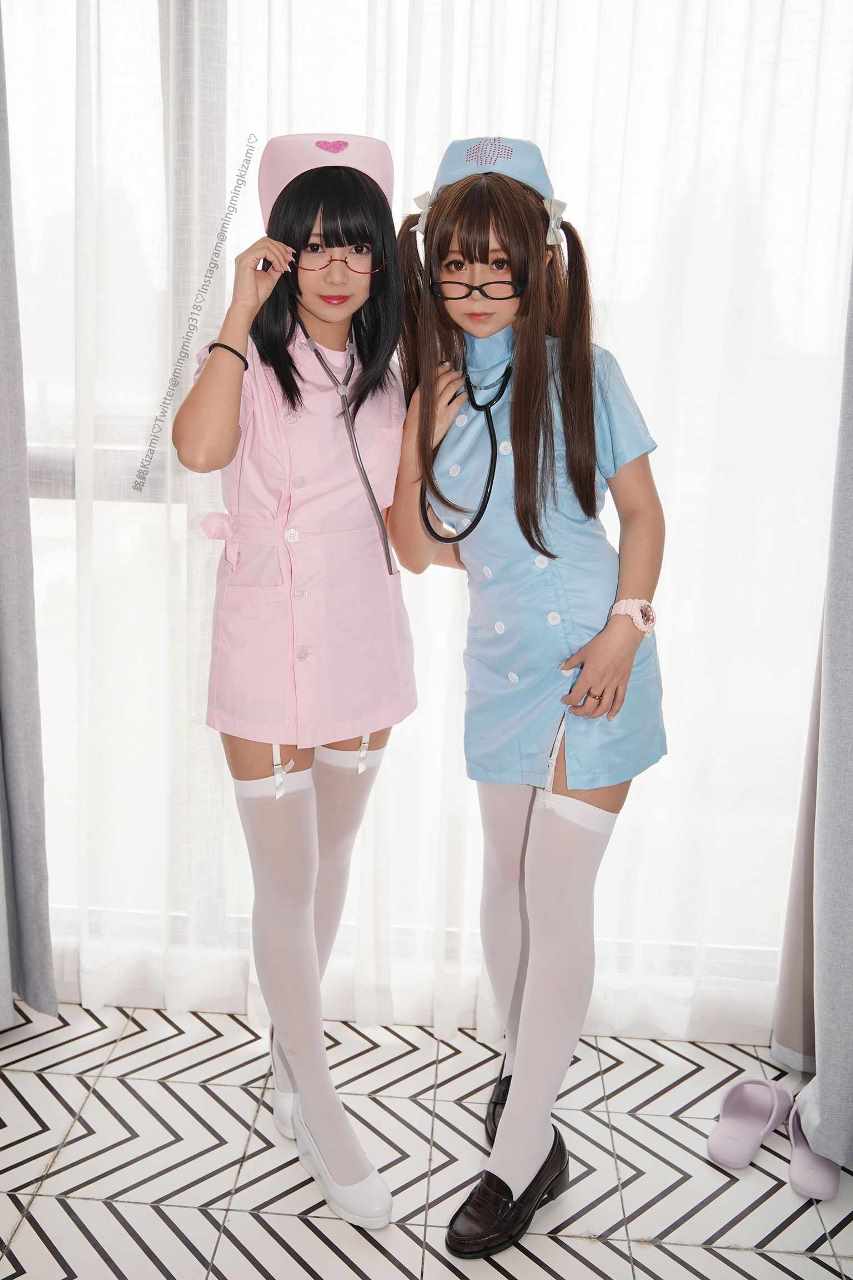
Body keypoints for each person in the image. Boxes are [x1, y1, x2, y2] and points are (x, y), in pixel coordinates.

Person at [389, 135, 667, 1259]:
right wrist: (426, 431)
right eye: (456, 264)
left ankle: (514, 1159)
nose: (474, 285)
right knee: (503, 891)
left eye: (497, 264)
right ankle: (529, 1097)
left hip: (595, 657)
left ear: (539, 263)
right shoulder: (431, 384)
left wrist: (625, 630)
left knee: (557, 899)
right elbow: (419, 550)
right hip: (498, 669)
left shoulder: (584, 370)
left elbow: (641, 515)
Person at [172, 133, 416, 1231]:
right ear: (278, 253)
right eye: (310, 246)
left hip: (363, 634)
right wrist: (238, 308)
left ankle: (289, 1054)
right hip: (264, 638)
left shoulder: (396, 372)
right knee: (283, 880)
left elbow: (418, 518)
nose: (333, 268)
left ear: (379, 261)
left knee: (330, 864)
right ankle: (317, 1100)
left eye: (354, 247)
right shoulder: (249, 362)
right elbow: (195, 450)